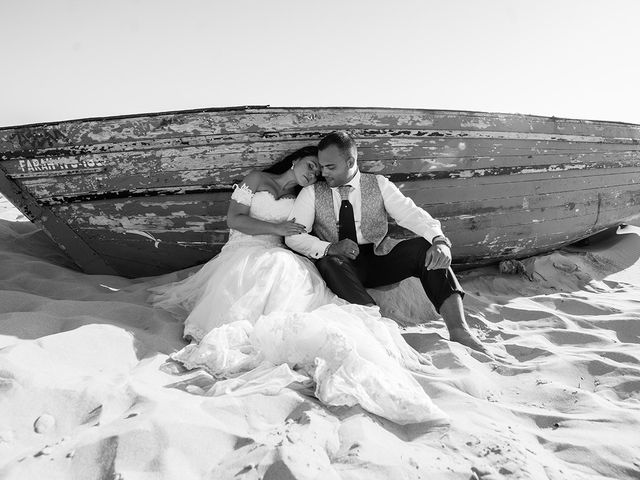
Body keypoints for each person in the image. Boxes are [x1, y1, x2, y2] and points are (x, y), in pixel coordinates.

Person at [149, 145, 448, 425]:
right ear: (294, 161)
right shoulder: (256, 179)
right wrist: (276, 228)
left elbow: (303, 234)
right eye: (310, 166)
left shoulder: (304, 196)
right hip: (244, 251)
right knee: (267, 271)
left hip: (279, 253)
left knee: (285, 269)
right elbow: (235, 219)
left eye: (318, 172)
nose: (313, 173)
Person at [285, 131, 487, 354]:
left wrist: (440, 240)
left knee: (424, 248)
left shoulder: (378, 184)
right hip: (342, 264)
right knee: (329, 262)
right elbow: (294, 236)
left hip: (379, 257)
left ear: (350, 162)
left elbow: (410, 214)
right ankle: (378, 325)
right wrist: (330, 247)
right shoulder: (311, 192)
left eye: (330, 167)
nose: (323, 173)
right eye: (322, 166)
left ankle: (459, 330)